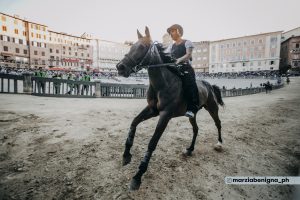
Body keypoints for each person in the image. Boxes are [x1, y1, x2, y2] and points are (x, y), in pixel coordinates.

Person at [167, 24, 199, 118]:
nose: (171, 34)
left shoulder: (187, 42)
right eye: (170, 32)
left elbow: (188, 55)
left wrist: (179, 60)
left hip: (185, 68)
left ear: (178, 31)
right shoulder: (171, 46)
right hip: (175, 68)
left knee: (189, 85)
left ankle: (191, 109)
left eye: (172, 31)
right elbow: (168, 57)